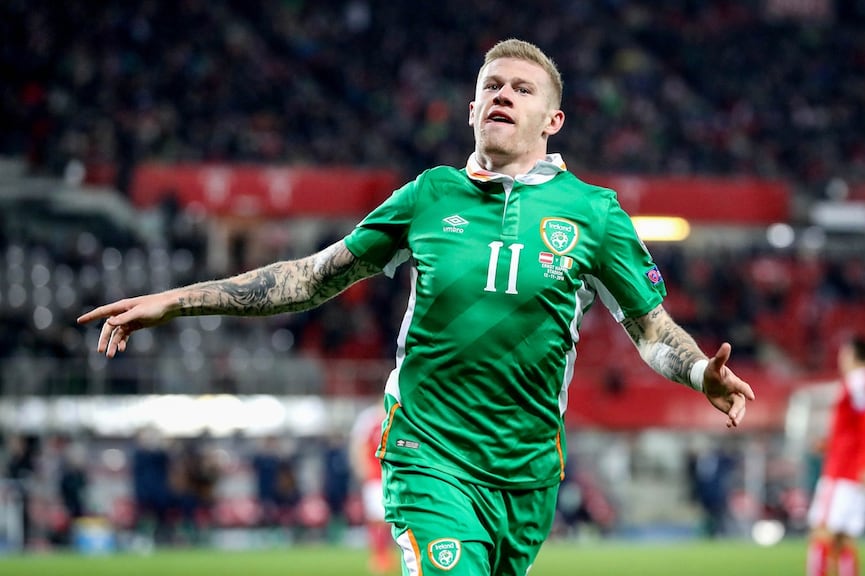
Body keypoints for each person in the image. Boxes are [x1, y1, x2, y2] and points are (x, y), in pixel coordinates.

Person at [77, 38, 755, 575]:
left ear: (553, 120)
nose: (502, 96)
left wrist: (700, 374)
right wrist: (176, 302)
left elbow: (651, 328)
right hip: (427, 453)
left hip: (527, 474)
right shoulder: (429, 196)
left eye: (522, 89)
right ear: (470, 109)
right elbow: (311, 278)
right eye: (491, 86)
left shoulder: (594, 214)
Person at [806, 334, 865, 576]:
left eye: (843, 353)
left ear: (852, 355)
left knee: (822, 531)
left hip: (842, 471)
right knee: (843, 538)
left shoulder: (857, 382)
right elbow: (856, 429)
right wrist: (830, 444)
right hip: (852, 468)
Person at [350, 403, 396, 574]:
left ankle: (385, 554)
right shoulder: (369, 419)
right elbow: (359, 444)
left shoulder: (396, 416)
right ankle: (380, 556)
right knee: (378, 518)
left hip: (393, 477)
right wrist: (363, 468)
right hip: (375, 478)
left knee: (390, 519)